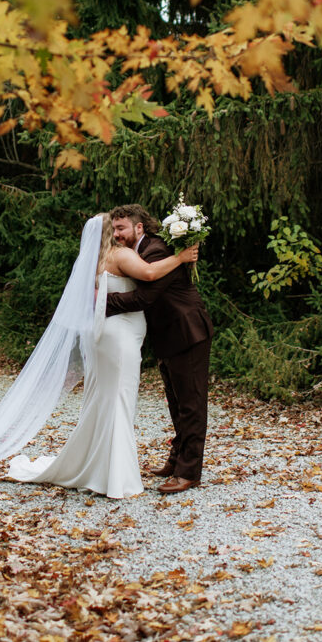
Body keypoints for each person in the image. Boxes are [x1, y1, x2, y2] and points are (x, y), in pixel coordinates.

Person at [0, 213, 198, 500]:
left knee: (103, 400)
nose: (120, 234)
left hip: (103, 336)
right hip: (118, 337)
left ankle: (99, 467)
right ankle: (116, 477)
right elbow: (148, 275)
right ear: (110, 232)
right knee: (119, 399)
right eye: (117, 229)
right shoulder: (119, 255)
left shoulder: (92, 261)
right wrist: (181, 258)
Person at [105, 204, 213, 495]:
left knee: (191, 404)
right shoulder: (140, 252)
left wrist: (103, 301)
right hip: (168, 336)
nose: (116, 234)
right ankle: (177, 459)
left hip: (187, 331)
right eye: (114, 229)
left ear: (138, 227)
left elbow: (144, 298)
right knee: (177, 403)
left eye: (121, 228)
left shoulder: (155, 250)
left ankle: (188, 472)